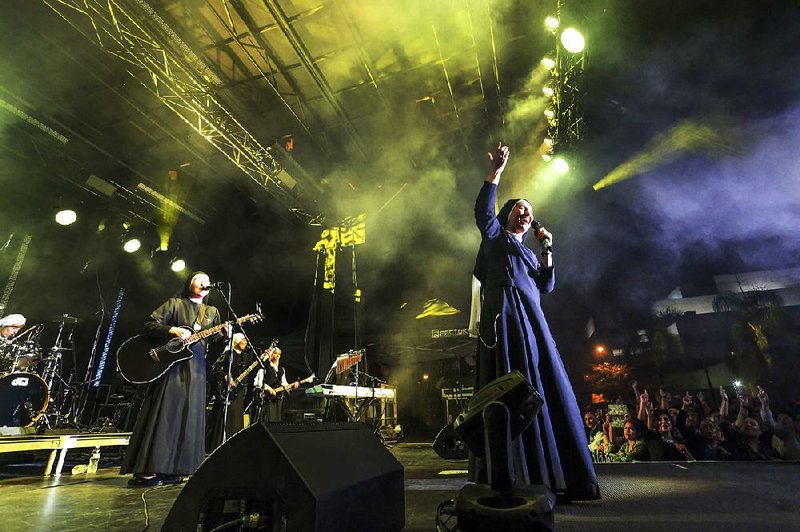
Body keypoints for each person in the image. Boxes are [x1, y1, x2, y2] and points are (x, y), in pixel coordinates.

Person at [471, 142, 600, 501]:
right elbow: (483, 212)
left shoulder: (528, 251)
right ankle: (512, 471)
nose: (526, 214)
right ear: (508, 215)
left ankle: (556, 473)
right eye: (519, 209)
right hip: (506, 313)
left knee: (543, 381)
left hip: (532, 319)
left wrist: (547, 248)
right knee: (511, 380)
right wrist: (496, 172)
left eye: (529, 211)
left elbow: (547, 285)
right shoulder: (496, 239)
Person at [121, 272, 225, 487]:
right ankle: (149, 468)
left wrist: (225, 333)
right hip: (171, 366)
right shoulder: (174, 303)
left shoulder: (213, 312)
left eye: (206, 280)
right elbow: (149, 325)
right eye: (198, 278)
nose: (203, 282)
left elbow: (214, 340)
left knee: (190, 415)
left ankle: (177, 468)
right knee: (166, 412)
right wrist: (172, 329)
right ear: (189, 283)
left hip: (196, 368)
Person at [206, 333, 251, 451]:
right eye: (243, 340)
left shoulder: (246, 357)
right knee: (224, 417)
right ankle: (218, 446)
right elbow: (215, 368)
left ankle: (235, 447)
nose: (246, 342)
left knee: (236, 419)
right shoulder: (228, 353)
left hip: (238, 391)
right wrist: (226, 377)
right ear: (236, 341)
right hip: (225, 391)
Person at [251, 344, 298, 422]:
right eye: (275, 353)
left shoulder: (281, 369)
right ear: (271, 354)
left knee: (276, 419)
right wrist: (268, 388)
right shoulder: (264, 367)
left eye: (279, 354)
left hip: (277, 398)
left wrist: (292, 385)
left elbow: (284, 383)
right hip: (266, 397)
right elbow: (258, 382)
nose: (277, 356)